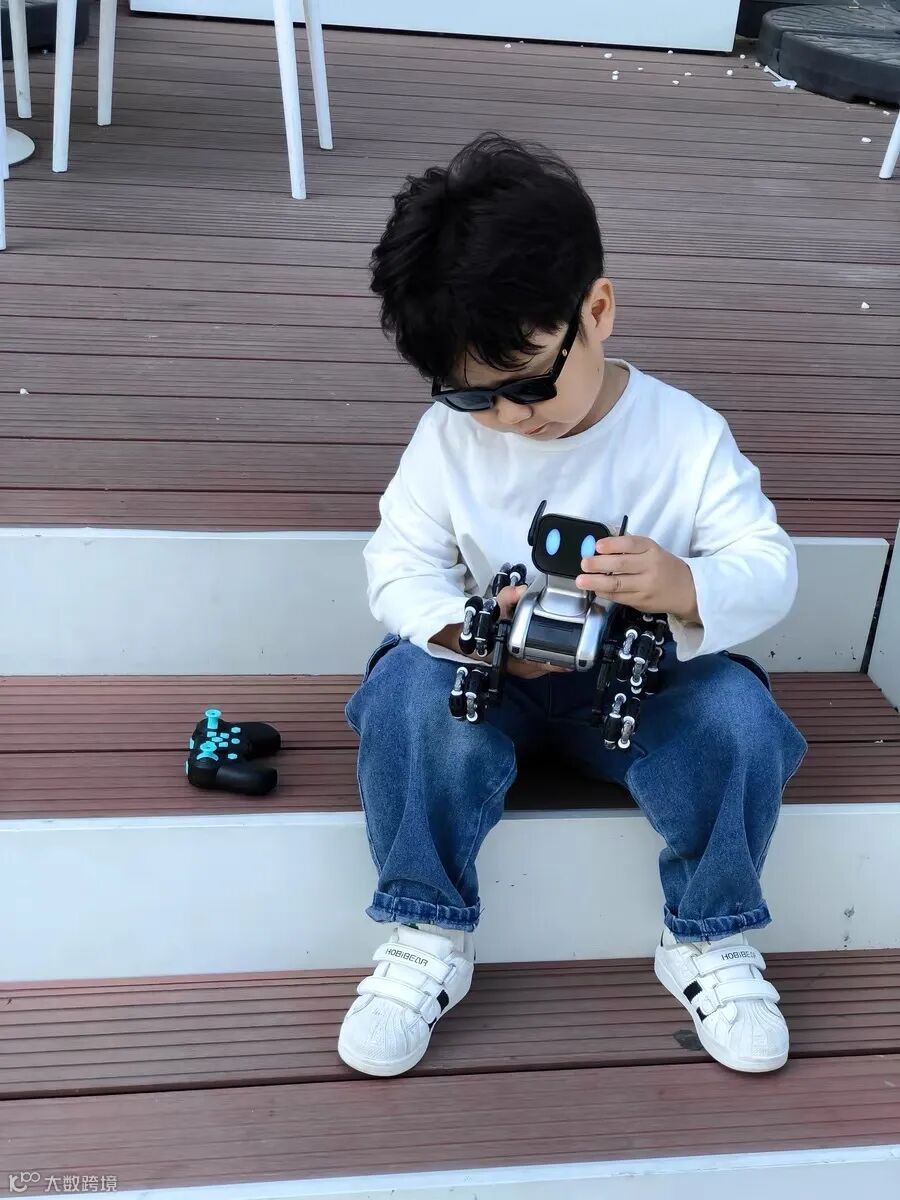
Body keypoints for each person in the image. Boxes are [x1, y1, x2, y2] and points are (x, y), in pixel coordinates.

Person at [338, 133, 808, 1079]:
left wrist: (684, 586)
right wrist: (470, 634)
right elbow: (396, 566)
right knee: (403, 698)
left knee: (739, 718)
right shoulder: (447, 440)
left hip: (638, 682)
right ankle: (427, 927)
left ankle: (708, 933)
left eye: (528, 382)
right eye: (474, 398)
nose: (511, 417)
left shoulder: (684, 435)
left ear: (595, 311)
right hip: (489, 679)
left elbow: (770, 566)